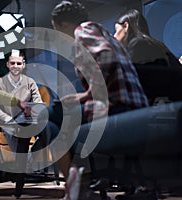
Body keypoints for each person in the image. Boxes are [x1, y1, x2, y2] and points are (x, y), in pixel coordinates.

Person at [50, 1, 149, 199]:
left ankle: (75, 187)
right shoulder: (104, 34)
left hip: (118, 108)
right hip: (135, 108)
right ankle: (78, 183)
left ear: (64, 25)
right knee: (60, 114)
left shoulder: (83, 31)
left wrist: (87, 95)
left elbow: (106, 56)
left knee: (50, 116)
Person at [0, 49, 43, 152]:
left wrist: (34, 111)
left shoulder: (30, 82)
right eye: (12, 63)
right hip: (9, 123)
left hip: (28, 121)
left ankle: (31, 156)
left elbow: (38, 103)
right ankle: (23, 161)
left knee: (48, 130)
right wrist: (8, 118)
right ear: (8, 64)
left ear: (23, 65)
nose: (15, 66)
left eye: (19, 63)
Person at [114, 9, 181, 69]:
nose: (114, 36)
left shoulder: (137, 44)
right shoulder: (159, 45)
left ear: (126, 26)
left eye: (116, 30)